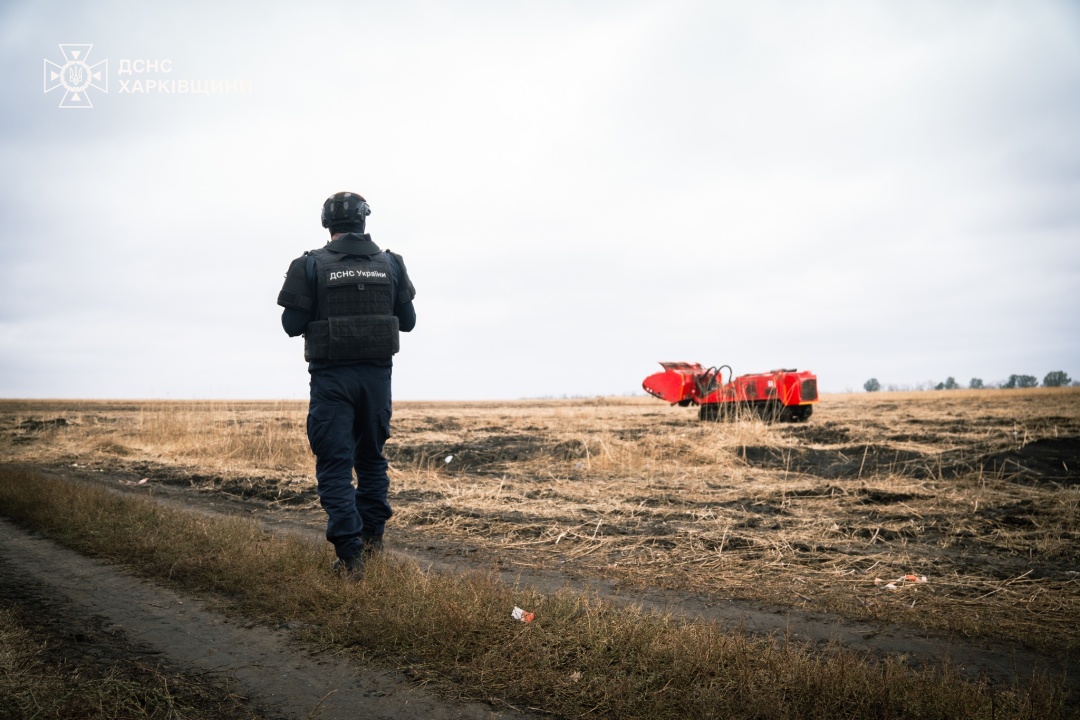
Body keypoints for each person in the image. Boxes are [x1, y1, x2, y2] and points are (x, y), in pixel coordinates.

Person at [277, 191, 416, 579]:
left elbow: (290, 326)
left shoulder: (308, 265)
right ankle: (373, 542)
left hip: (332, 381)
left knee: (335, 465)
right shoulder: (391, 263)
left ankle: (350, 558)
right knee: (371, 460)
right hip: (376, 380)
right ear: (363, 221)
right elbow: (408, 321)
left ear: (327, 225)